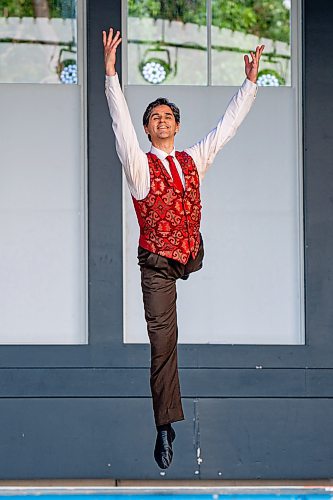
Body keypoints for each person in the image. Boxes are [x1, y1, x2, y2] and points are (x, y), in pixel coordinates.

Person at [103, 27, 264, 469]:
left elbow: (226, 127)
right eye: (153, 117)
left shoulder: (193, 158)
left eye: (167, 116)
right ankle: (164, 427)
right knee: (163, 342)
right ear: (147, 128)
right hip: (155, 262)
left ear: (176, 125)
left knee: (190, 247)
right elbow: (119, 124)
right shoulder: (139, 165)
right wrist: (110, 75)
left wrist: (250, 83)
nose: (161, 120)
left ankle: (188, 254)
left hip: (189, 252)